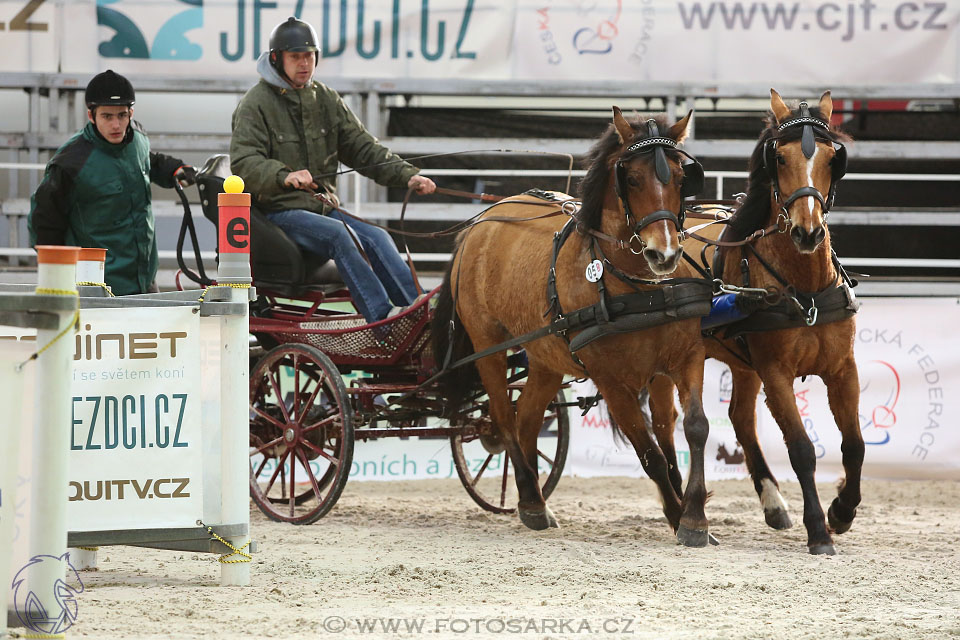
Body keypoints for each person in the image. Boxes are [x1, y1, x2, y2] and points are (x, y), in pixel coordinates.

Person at [230, 17, 436, 323]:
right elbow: (244, 163)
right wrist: (283, 176)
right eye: (295, 56)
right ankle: (382, 322)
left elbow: (363, 147)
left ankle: (417, 316)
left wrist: (407, 175)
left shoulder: (325, 98)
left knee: (378, 236)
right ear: (276, 59)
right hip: (277, 213)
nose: (304, 64)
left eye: (309, 55)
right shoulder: (255, 104)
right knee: (342, 235)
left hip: (321, 208)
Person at [28, 70, 196, 296]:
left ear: (131, 113)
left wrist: (175, 169)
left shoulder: (138, 138)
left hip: (145, 280)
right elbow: (44, 220)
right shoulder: (70, 162)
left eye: (122, 115)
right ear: (91, 115)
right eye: (107, 116)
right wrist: (59, 277)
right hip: (98, 287)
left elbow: (149, 161)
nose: (116, 125)